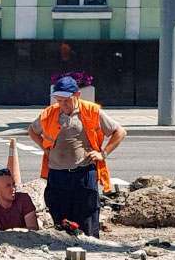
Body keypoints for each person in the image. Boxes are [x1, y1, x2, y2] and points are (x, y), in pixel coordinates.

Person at [28, 76, 127, 238]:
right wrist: (44, 148)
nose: (62, 105)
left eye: (66, 100)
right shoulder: (50, 113)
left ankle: (89, 246)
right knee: (60, 215)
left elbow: (120, 132)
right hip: (57, 174)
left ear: (77, 95)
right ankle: (64, 245)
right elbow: (32, 130)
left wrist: (103, 154)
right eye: (59, 101)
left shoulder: (91, 111)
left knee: (87, 214)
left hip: (83, 173)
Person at [0, 168, 38, 232]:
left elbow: (33, 229)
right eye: (8, 186)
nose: (13, 188)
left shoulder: (23, 199)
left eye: (13, 184)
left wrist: (14, 231)